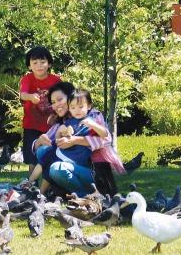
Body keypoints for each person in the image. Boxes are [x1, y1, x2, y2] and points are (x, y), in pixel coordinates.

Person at [24, 82, 125, 196]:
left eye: (60, 99)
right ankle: (35, 188)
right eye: (53, 102)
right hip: (73, 164)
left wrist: (74, 140)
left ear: (70, 97)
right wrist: (39, 141)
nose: (57, 105)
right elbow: (43, 145)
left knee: (55, 165)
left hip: (96, 170)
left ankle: (91, 195)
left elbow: (106, 139)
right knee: (45, 152)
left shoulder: (92, 116)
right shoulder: (64, 121)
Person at [19, 46, 61, 175]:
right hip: (31, 124)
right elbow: (22, 95)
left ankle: (51, 183)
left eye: (43, 62)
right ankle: (31, 184)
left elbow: (63, 99)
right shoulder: (27, 79)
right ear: (29, 66)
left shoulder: (56, 80)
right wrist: (31, 97)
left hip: (52, 125)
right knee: (32, 157)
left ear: (49, 64)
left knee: (51, 154)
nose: (39, 66)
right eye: (35, 63)